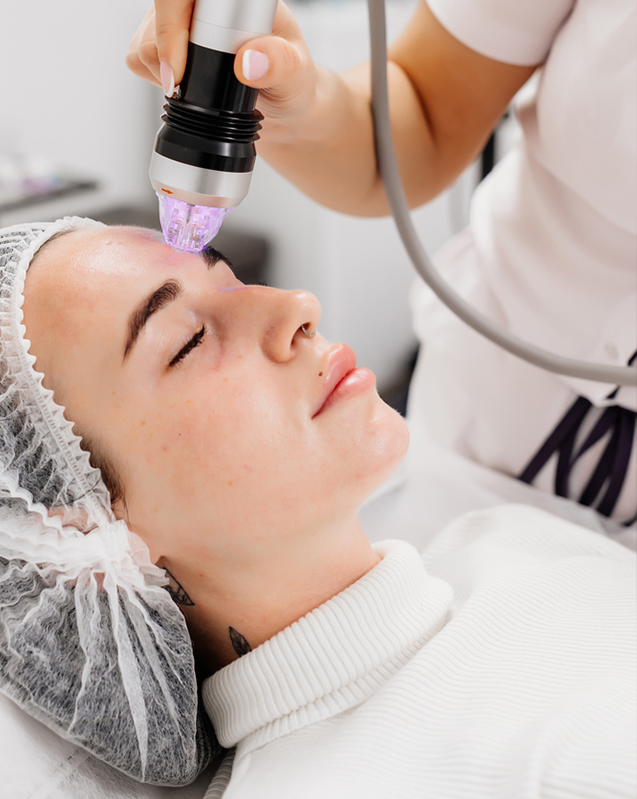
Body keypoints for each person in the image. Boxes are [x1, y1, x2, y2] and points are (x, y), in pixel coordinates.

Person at [0, 218, 635, 797]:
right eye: (186, 340)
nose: (296, 304)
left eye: (225, 278)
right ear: (78, 537)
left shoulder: (502, 540)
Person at [126, 0, 637, 525]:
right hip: (496, 402)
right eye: (188, 344)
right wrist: (304, 107)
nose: (302, 303)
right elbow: (428, 111)